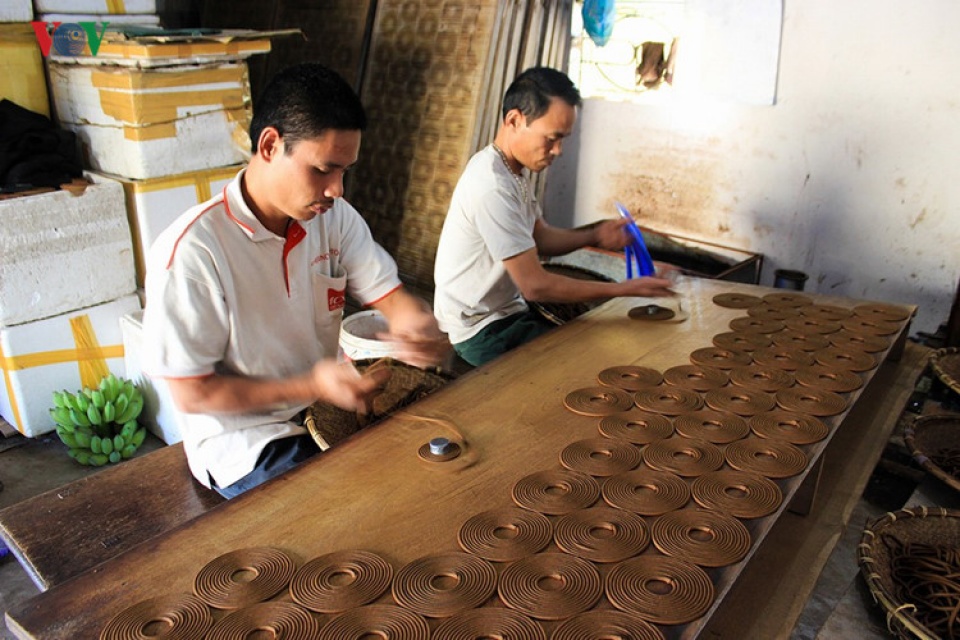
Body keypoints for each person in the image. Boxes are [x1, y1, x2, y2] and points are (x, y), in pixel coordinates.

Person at [141, 63, 448, 499]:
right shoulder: (194, 252)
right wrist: (314, 385)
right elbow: (193, 395)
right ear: (270, 145)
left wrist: (412, 321)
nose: (337, 189)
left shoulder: (333, 217)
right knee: (362, 504)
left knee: (434, 463)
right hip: (250, 441)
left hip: (323, 407)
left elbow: (388, 293)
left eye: (345, 171)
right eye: (324, 169)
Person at [433, 66, 675, 367]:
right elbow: (534, 285)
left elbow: (540, 236)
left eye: (563, 140)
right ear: (515, 120)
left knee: (590, 349)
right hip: (481, 329)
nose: (558, 150)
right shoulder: (491, 185)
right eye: (552, 138)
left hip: (509, 312)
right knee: (579, 373)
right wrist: (620, 290)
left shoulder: (514, 173)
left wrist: (596, 235)